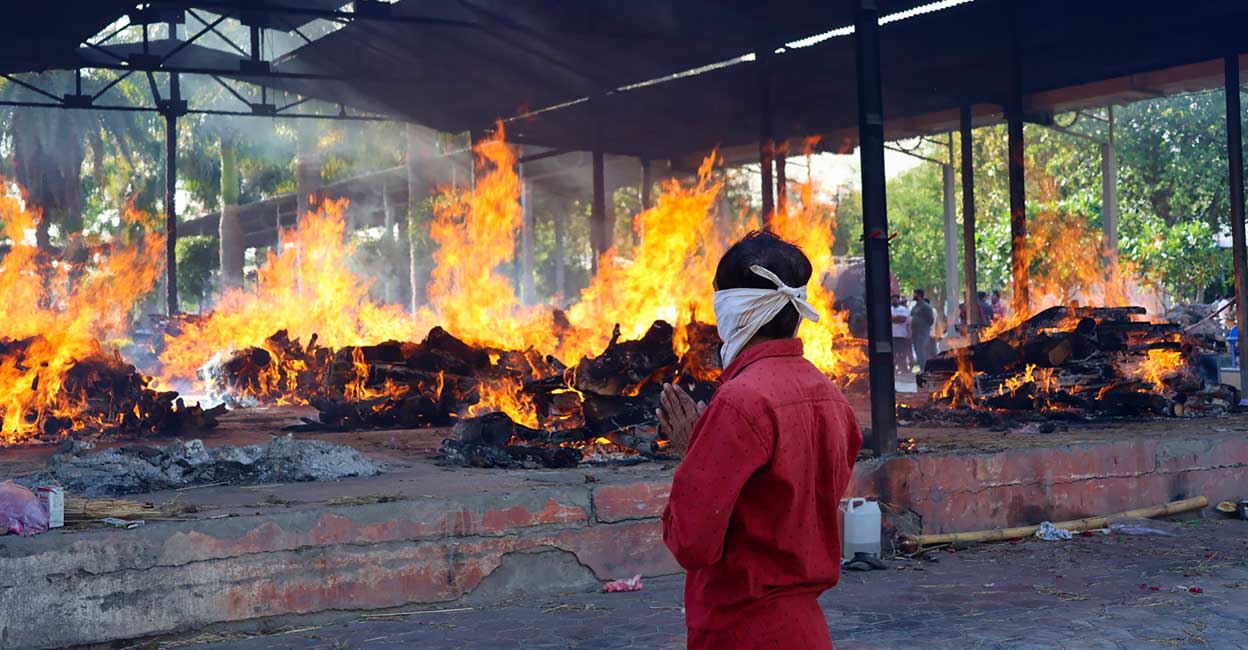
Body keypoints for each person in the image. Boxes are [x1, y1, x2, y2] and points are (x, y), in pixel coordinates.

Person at [659, 231, 863, 650]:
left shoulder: (739, 402)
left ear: (733, 311)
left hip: (741, 629)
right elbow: (780, 503)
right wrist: (702, 452)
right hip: (807, 630)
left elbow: (693, 544)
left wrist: (692, 457)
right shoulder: (832, 398)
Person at [910, 288, 935, 371]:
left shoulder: (926, 307)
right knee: (917, 351)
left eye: (915, 294)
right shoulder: (915, 307)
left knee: (922, 351)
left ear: (919, 295)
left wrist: (924, 327)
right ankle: (922, 368)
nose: (913, 295)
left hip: (922, 332)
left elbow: (931, 320)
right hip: (915, 332)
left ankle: (925, 369)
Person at [891, 293, 911, 373]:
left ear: (898, 300)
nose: (894, 300)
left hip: (901, 335)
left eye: (895, 299)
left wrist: (893, 318)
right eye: (892, 299)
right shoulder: (890, 309)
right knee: (894, 353)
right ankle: (895, 369)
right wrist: (896, 318)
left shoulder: (902, 309)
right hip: (892, 335)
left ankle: (903, 368)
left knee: (902, 353)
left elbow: (902, 319)